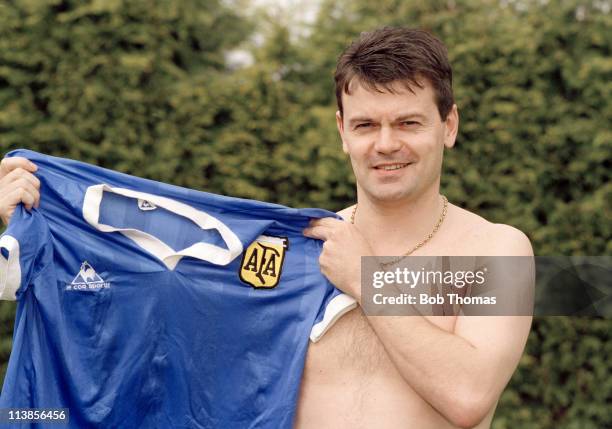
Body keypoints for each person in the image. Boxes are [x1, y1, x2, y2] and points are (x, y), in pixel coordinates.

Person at [0, 27, 532, 428]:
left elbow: (468, 395)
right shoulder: (296, 251)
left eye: (408, 123)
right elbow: (132, 312)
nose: (385, 144)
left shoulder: (496, 251)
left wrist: (366, 280)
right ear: (342, 133)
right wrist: (27, 228)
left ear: (450, 126)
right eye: (367, 125)